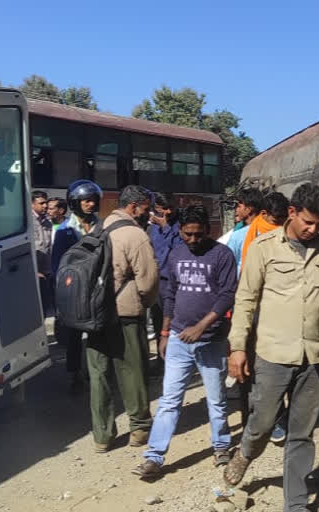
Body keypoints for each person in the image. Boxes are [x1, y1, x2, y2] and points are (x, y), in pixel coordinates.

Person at [224, 183, 319, 511]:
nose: (313, 229)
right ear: (292, 213)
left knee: (302, 434)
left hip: (313, 357)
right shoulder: (265, 247)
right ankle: (246, 452)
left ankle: (294, 504)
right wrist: (238, 348)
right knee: (263, 423)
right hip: (272, 355)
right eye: (307, 222)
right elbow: (246, 299)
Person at [132, 205, 237, 478]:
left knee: (215, 399)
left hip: (211, 342)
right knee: (169, 400)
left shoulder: (222, 255)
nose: (193, 240)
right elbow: (170, 295)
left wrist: (201, 327)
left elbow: (227, 295)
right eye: (188, 234)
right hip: (178, 339)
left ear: (208, 231)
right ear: (180, 231)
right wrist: (165, 333)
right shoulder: (177, 254)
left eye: (198, 235)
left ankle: (221, 446)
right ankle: (154, 456)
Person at [86, 185, 159, 453]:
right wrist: (146, 304)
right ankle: (139, 428)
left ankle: (102, 437)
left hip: (93, 315)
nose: (147, 213)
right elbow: (148, 280)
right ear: (134, 207)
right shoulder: (134, 234)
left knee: (99, 375)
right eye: (146, 208)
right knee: (132, 370)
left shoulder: (97, 229)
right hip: (125, 313)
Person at [234, 191, 290, 441]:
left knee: (274, 369)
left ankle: (274, 419)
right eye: (276, 219)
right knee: (256, 370)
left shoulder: (289, 236)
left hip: (278, 312)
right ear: (264, 214)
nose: (280, 225)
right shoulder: (240, 238)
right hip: (254, 311)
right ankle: (255, 420)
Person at [52, 180, 102, 394]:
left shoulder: (102, 226)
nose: (91, 204)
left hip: (96, 287)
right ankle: (74, 374)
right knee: (73, 335)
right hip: (74, 289)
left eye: (93, 200)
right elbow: (57, 264)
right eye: (86, 201)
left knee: (97, 332)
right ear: (75, 203)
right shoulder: (65, 231)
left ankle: (97, 373)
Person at [147, 192, 183, 374]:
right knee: (158, 319)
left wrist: (166, 227)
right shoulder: (152, 228)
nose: (169, 212)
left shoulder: (178, 225)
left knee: (174, 321)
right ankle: (162, 361)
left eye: (171, 208)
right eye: (164, 209)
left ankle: (176, 361)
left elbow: (179, 248)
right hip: (158, 281)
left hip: (174, 281)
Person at [224, 188, 265, 275]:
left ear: (249, 209)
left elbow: (227, 263)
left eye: (239, 206)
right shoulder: (269, 230)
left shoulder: (238, 235)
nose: (236, 209)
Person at [31, 190, 53, 316]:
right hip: (33, 272)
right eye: (41, 203)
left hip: (46, 271)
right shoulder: (27, 221)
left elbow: (48, 246)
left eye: (46, 203)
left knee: (44, 305)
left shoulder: (47, 222)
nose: (45, 206)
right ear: (32, 204)